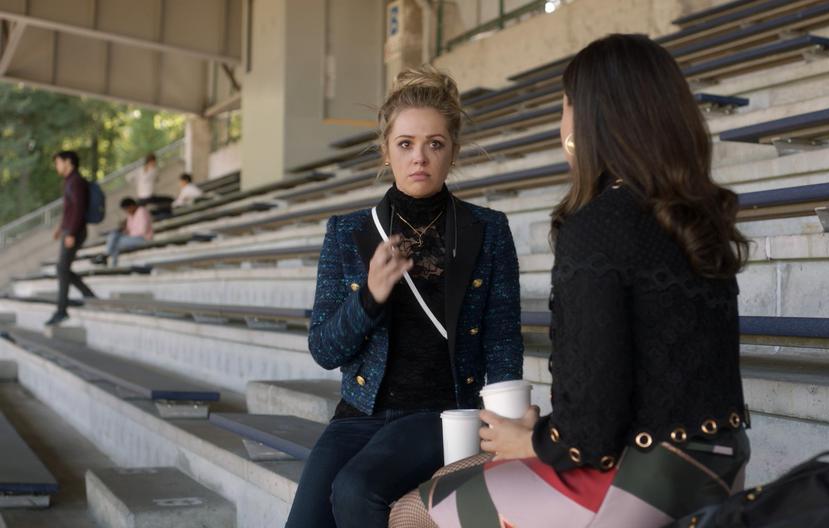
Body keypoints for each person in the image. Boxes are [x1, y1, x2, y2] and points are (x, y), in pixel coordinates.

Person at [391, 34, 752, 528]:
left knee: (412, 511)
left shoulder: (598, 227)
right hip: (719, 464)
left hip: (639, 479)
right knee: (465, 473)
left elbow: (591, 436)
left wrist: (530, 438)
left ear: (590, 122)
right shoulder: (695, 220)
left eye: (565, 107)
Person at [284, 65, 525, 528]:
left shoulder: (488, 231)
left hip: (441, 414)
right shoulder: (348, 232)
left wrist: (503, 426)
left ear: (452, 151)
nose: (420, 157)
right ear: (386, 151)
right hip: (358, 414)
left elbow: (502, 340)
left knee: (355, 490)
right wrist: (370, 297)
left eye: (435, 143)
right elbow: (323, 350)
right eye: (406, 144)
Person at [46, 151, 96, 326]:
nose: (57, 166)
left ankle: (62, 310)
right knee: (62, 269)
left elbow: (79, 209)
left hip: (75, 231)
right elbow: (69, 209)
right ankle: (87, 296)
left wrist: (72, 232)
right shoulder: (69, 181)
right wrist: (61, 228)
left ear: (68, 162)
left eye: (58, 162)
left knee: (62, 269)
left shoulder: (76, 182)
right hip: (69, 230)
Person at [103, 197, 153, 267]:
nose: (127, 211)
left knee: (116, 242)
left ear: (132, 206)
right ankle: (110, 260)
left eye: (127, 209)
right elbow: (130, 230)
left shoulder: (142, 211)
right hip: (133, 238)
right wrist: (124, 229)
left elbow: (142, 231)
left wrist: (128, 233)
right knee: (113, 234)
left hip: (143, 239)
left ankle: (108, 258)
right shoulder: (130, 215)